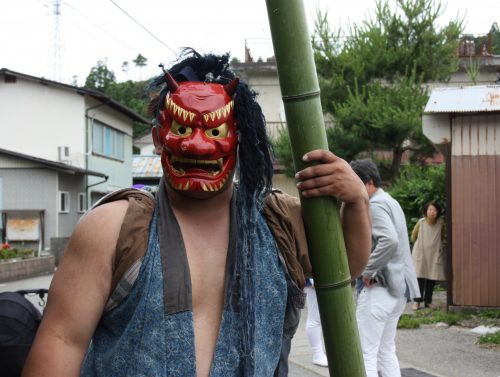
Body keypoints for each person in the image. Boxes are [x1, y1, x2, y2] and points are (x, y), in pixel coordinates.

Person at [22, 50, 371, 377]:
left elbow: (346, 270)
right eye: (183, 129)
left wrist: (356, 201)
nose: (198, 145)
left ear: (238, 139)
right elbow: (63, 339)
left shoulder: (279, 221)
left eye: (216, 131)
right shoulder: (113, 227)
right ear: (159, 137)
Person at [350, 159, 420, 377]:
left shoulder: (376, 205)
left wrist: (368, 270)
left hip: (379, 288)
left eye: (356, 183)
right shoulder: (391, 201)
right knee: (385, 351)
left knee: (365, 353)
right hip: (397, 290)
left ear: (368, 182)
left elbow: (389, 240)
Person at [411, 201, 445, 310]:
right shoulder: (420, 223)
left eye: (434, 210)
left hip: (434, 253)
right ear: (426, 211)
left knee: (432, 277)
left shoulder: (440, 223)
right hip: (421, 252)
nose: (432, 212)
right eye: (429, 210)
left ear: (438, 212)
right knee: (419, 277)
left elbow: (442, 237)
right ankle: (417, 302)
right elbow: (413, 237)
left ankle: (428, 301)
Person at [304, 278, 328, 367]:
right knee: (315, 319)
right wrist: (312, 280)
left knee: (318, 319)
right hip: (315, 278)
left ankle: (319, 354)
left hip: (321, 278)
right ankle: (318, 354)